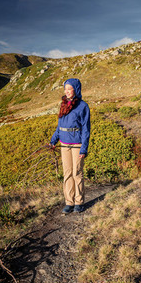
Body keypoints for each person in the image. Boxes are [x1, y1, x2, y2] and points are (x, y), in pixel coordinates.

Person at [50, 78, 91, 214]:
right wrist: (53, 141)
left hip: (77, 144)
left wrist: (84, 148)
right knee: (67, 173)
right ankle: (69, 202)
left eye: (69, 89)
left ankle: (79, 202)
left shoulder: (83, 106)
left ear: (76, 89)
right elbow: (59, 127)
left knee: (77, 173)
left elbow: (86, 129)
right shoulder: (63, 105)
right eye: (65, 89)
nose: (67, 91)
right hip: (64, 144)